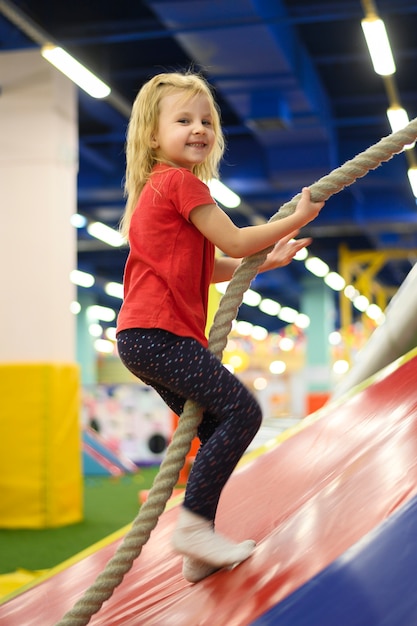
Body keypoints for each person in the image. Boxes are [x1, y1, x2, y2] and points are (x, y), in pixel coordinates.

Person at [116, 70, 324, 583]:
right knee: (244, 412)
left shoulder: (157, 190)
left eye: (206, 119)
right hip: (159, 335)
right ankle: (191, 530)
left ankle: (198, 543)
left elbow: (209, 267)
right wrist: (296, 217)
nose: (199, 128)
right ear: (152, 135)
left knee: (216, 429)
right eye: (183, 119)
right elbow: (232, 240)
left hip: (142, 339)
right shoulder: (179, 183)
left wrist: (269, 262)